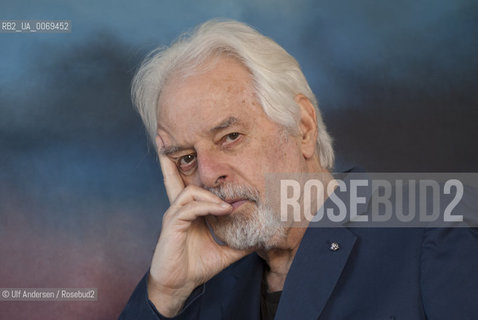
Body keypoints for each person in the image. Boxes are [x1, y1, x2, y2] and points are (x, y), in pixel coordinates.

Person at [120, 19, 478, 319]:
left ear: (303, 126)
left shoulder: (431, 238)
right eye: (186, 158)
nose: (208, 174)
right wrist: (164, 293)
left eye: (230, 136)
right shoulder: (193, 289)